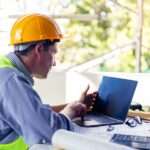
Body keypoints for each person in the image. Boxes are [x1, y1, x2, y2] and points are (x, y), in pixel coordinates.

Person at [0, 13, 96, 150]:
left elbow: (36, 113)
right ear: (39, 49)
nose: (55, 63)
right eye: (53, 53)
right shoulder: (11, 80)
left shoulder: (5, 70)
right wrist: (68, 114)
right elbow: (49, 132)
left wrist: (73, 105)